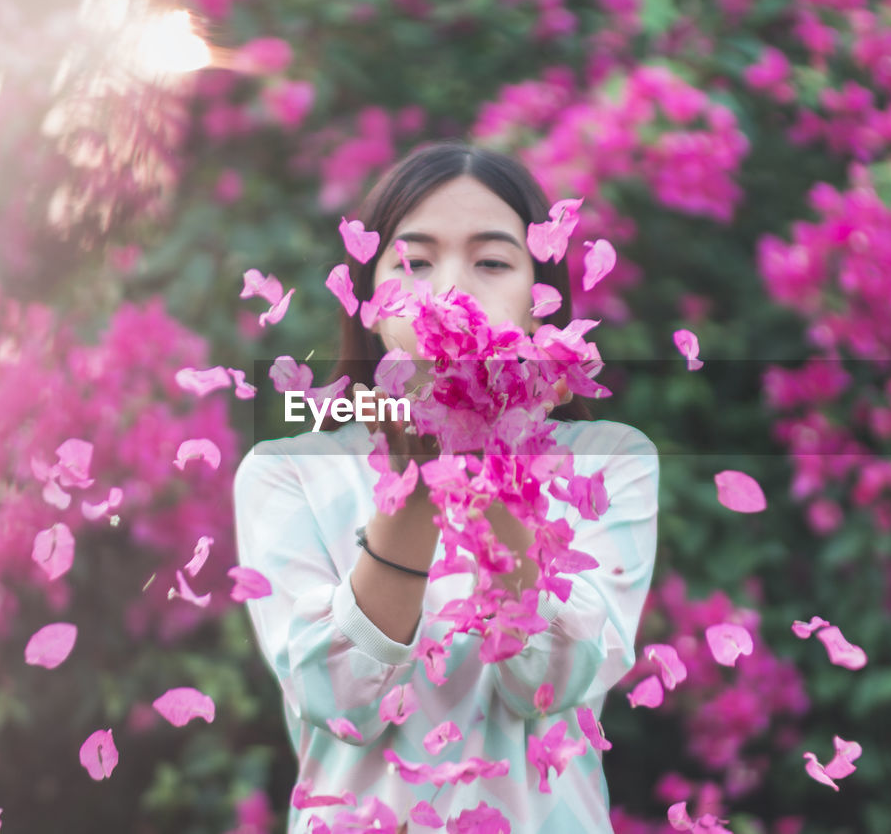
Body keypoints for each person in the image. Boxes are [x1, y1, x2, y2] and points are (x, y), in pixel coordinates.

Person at [233, 141, 660, 833]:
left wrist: (480, 459)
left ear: (537, 300)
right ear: (369, 300)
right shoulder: (287, 472)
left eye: (492, 262)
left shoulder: (612, 462)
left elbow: (550, 681)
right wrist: (419, 489)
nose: (452, 292)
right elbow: (338, 700)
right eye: (414, 262)